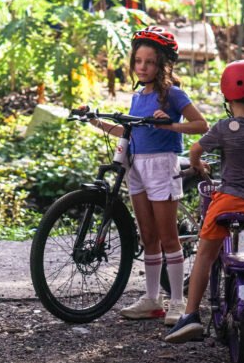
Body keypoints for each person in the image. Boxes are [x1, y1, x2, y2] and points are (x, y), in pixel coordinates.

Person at [165, 60, 244, 360]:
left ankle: (191, 315)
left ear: (228, 97)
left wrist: (198, 165)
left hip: (228, 200)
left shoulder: (223, 127)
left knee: (205, 254)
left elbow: (195, 150)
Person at [86, 26, 207, 325]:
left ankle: (178, 302)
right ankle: (153, 300)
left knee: (168, 237)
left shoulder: (174, 95)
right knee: (148, 236)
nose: (142, 67)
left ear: (163, 64)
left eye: (149, 62)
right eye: (138, 61)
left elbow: (201, 125)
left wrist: (170, 126)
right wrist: (96, 122)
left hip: (161, 165)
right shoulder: (137, 96)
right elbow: (130, 130)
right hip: (136, 166)